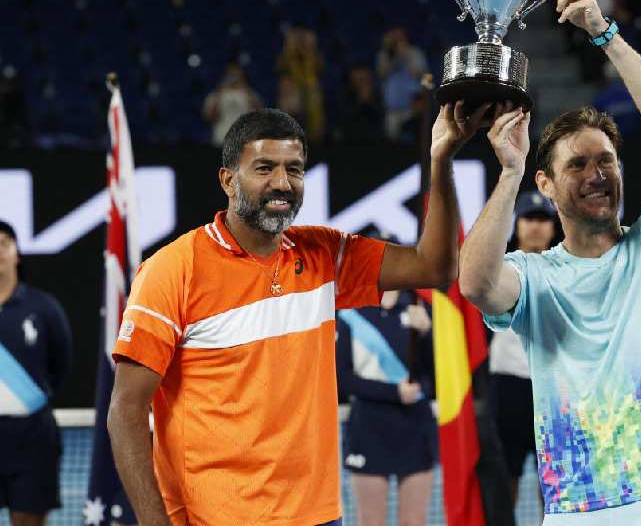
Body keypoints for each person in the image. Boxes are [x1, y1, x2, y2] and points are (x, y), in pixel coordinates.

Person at [107, 103, 489, 526]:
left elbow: (434, 268)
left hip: (317, 517)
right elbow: (125, 411)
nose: (282, 183)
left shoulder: (325, 255)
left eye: (295, 169)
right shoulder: (172, 270)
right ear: (228, 180)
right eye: (265, 168)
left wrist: (441, 158)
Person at [460, 0, 641, 524]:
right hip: (580, 508)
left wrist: (604, 33)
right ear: (546, 187)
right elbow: (476, 284)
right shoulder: (533, 276)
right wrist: (509, 173)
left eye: (606, 161)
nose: (597, 174)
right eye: (576, 164)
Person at [336, 231, 437, 526]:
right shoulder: (349, 313)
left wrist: (427, 335)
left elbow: (436, 376)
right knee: (371, 522)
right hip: (369, 428)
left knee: (414, 522)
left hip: (415, 426)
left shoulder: (419, 309)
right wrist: (395, 392)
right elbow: (343, 379)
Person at [0, 220, 73, 526]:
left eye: (3, 243)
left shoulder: (43, 308)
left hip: (32, 441)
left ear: (17, 253)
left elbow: (61, 365)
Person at [489, 191, 557, 511]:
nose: (536, 226)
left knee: (553, 479)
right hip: (509, 385)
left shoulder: (566, 268)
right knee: (506, 479)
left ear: (554, 227)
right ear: (516, 224)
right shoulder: (497, 269)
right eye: (529, 218)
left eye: (543, 220)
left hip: (554, 385)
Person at [376, 27, 428, 141]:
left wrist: (406, 55)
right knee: (392, 143)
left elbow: (420, 76)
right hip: (392, 110)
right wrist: (393, 56)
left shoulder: (415, 52)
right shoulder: (384, 54)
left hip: (411, 109)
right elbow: (382, 74)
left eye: (400, 37)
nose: (397, 41)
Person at [276, 28, 326, 144]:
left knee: (313, 94)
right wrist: (289, 48)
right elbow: (280, 68)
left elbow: (320, 67)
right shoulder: (287, 58)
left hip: (311, 97)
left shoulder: (312, 57)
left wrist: (310, 48)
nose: (300, 43)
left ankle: (316, 137)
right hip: (293, 99)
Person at [203, 62, 264, 146]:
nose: (234, 77)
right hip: (221, 139)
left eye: (237, 74)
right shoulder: (216, 95)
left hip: (244, 141)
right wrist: (219, 93)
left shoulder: (251, 94)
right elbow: (210, 118)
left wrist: (246, 89)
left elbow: (259, 116)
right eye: (231, 74)